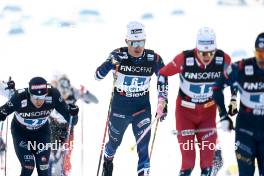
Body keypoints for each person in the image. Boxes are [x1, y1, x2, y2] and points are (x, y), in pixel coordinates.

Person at [159, 27, 237, 176]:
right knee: (188, 162)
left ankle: (216, 154)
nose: (206, 57)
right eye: (202, 53)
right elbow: (163, 73)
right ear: (196, 49)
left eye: (210, 53)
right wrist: (162, 100)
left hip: (208, 113)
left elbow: (234, 79)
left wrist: (233, 100)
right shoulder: (184, 59)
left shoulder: (223, 59)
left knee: (207, 164)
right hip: (185, 113)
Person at [95, 21, 168, 176]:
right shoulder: (118, 54)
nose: (137, 47)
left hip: (141, 108)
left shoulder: (153, 58)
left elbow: (163, 78)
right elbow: (97, 76)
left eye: (141, 42)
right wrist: (110, 64)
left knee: (143, 147)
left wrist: (162, 101)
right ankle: (108, 161)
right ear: (127, 41)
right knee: (113, 144)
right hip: (120, 107)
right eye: (134, 42)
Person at [0, 76, 79, 176]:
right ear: (29, 94)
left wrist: (73, 114)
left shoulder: (53, 95)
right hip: (21, 133)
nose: (39, 101)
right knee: (28, 166)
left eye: (42, 97)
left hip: (41, 133)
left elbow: (72, 121)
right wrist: (2, 113)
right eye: (35, 98)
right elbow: (3, 110)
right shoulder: (19, 97)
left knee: (43, 167)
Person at [213, 32, 264, 176]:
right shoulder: (242, 67)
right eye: (260, 55)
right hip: (245, 130)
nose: (263, 60)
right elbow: (217, 87)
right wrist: (223, 116)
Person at [48, 74, 98, 176]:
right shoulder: (53, 92)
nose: (64, 96)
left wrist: (86, 93)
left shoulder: (74, 92)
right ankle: (50, 171)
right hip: (54, 125)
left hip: (68, 127)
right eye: (62, 94)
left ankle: (65, 172)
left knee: (67, 153)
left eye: (66, 93)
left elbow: (95, 100)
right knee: (53, 153)